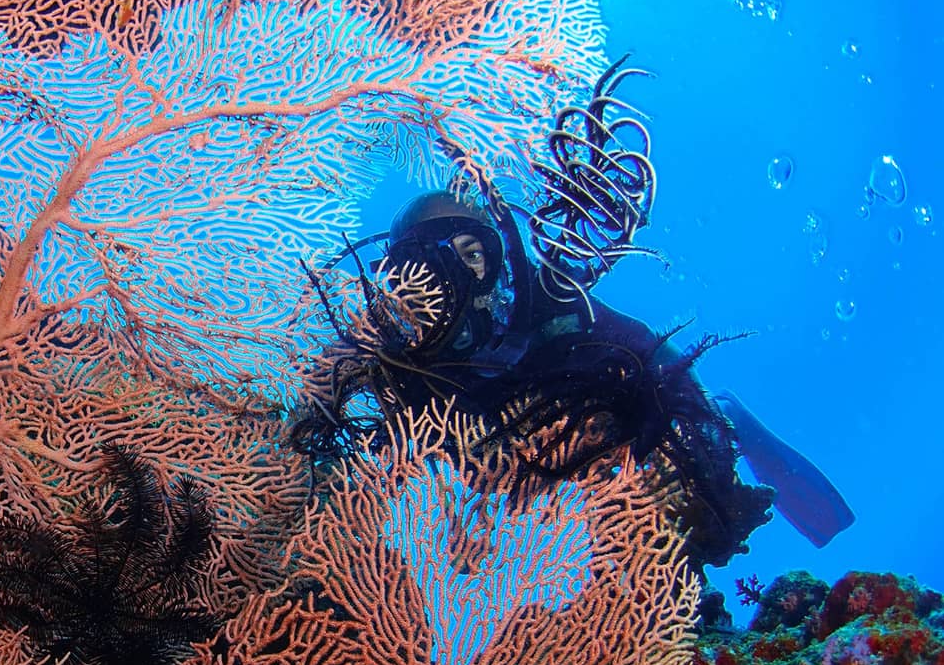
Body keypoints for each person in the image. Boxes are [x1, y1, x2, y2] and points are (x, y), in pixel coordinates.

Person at [292, 189, 853, 572]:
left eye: (474, 253)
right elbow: (330, 438)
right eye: (433, 264)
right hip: (508, 514)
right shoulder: (396, 361)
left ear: (498, 253)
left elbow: (660, 370)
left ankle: (739, 419)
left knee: (702, 419)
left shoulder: (556, 311)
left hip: (606, 496)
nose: (464, 276)